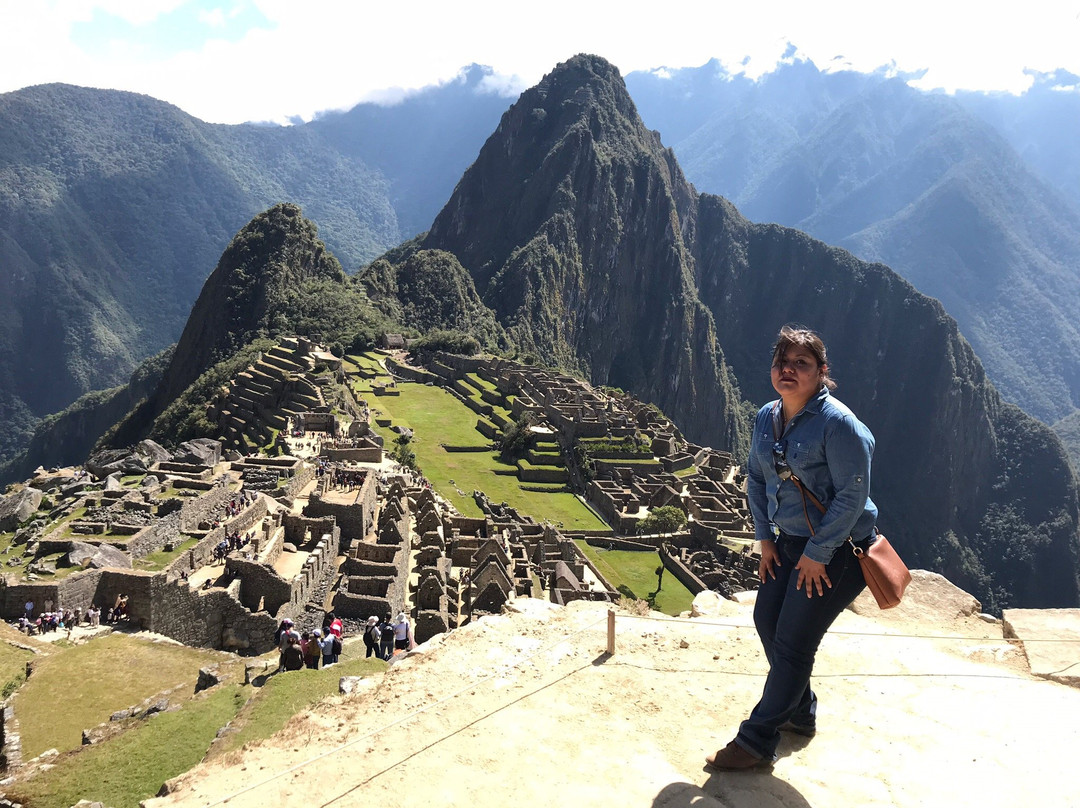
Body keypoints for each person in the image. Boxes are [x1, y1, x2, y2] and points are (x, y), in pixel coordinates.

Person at [706, 325, 878, 770]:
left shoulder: (839, 425)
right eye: (783, 362)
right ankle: (800, 712)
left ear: (822, 372)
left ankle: (757, 739)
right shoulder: (767, 416)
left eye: (801, 364)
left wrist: (817, 555)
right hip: (787, 541)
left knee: (794, 643)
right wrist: (765, 540)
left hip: (838, 549)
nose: (789, 370)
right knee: (767, 619)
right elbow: (757, 477)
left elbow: (851, 497)